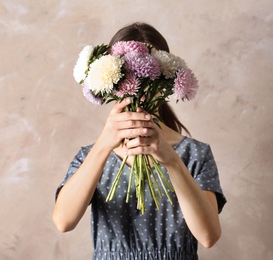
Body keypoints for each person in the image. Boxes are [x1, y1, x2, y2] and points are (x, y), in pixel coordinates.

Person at [52, 22, 226, 259]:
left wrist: (171, 160)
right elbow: (63, 221)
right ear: (110, 82)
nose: (139, 91)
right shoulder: (91, 156)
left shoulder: (194, 154)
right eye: (128, 77)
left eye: (148, 77)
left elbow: (209, 236)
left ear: (166, 78)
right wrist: (104, 145)